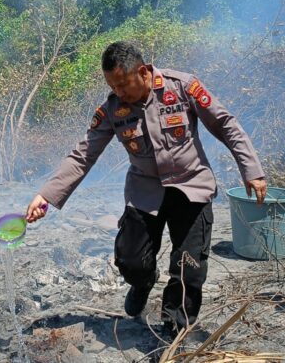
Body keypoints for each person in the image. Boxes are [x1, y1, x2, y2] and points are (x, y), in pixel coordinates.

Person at [24, 41, 267, 332]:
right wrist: (45, 196)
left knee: (188, 267)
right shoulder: (113, 110)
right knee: (131, 261)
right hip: (145, 193)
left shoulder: (183, 87)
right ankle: (143, 282)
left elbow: (225, 124)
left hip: (191, 187)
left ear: (142, 72)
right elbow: (82, 155)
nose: (118, 93)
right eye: (112, 86)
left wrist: (251, 169)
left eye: (123, 85)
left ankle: (173, 331)